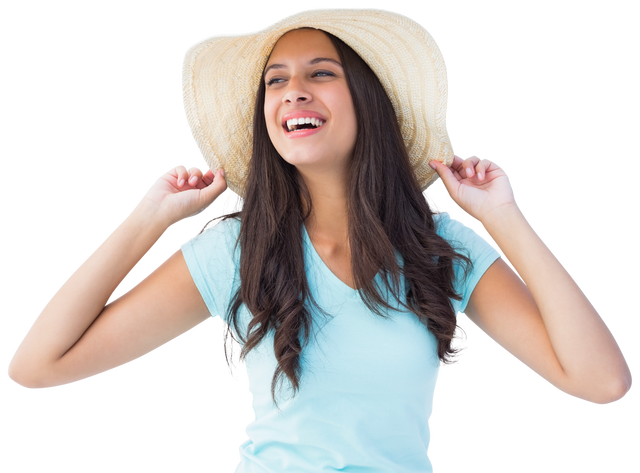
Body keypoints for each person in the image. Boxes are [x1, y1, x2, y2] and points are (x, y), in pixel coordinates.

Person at [7, 6, 632, 472]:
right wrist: (148, 219)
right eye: (274, 81)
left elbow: (603, 384)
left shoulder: (442, 248)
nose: (292, 90)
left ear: (368, 100)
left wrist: (505, 218)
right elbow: (37, 367)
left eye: (320, 72)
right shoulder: (236, 251)